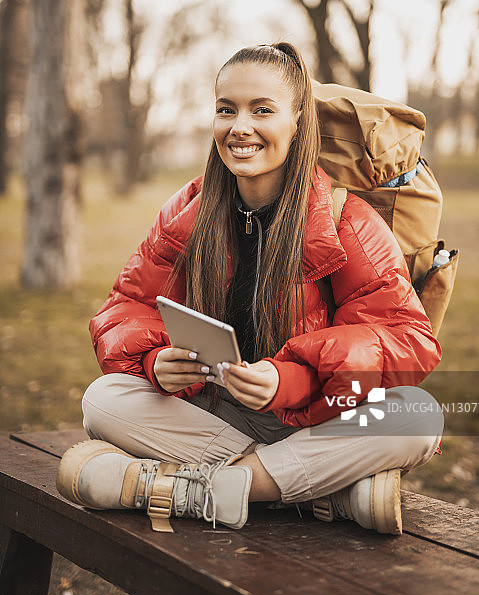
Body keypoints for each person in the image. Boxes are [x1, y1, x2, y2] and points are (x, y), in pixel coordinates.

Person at [56, 42, 444, 535]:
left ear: (298, 122)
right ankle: (319, 491)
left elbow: (407, 339)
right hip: (214, 413)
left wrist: (291, 380)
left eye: (262, 110)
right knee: (103, 398)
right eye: (226, 110)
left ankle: (188, 490)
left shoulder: (347, 219)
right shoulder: (189, 209)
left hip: (314, 420)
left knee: (418, 416)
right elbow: (126, 308)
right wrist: (156, 361)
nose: (240, 127)